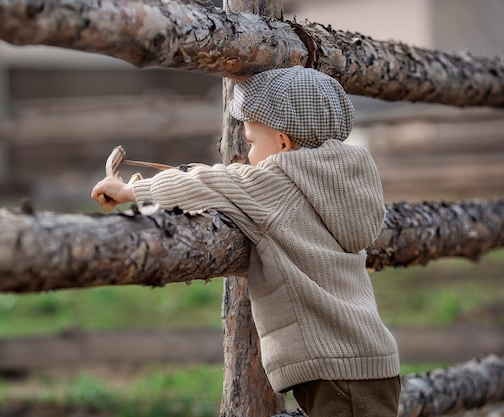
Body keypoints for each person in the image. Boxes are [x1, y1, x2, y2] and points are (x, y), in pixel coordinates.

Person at [91, 66, 401, 417]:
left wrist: (132, 190)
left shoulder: (278, 182)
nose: (247, 156)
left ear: (283, 143)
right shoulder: (343, 181)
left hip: (338, 371)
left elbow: (208, 183)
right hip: (361, 359)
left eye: (251, 143)